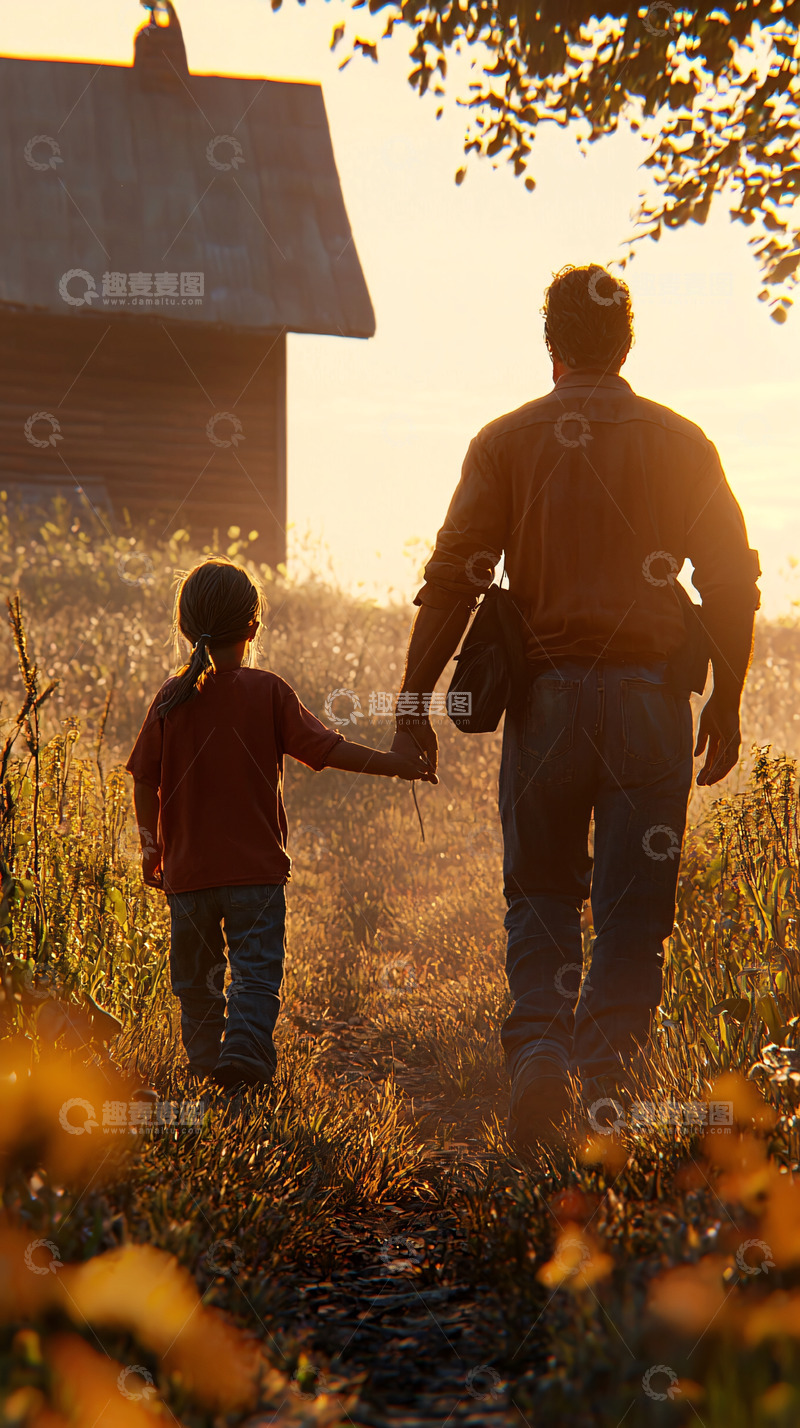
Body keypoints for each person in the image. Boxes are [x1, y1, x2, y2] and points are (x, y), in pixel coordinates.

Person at [391, 263, 760, 1148]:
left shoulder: (506, 442)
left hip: (549, 705)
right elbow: (737, 582)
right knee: (635, 910)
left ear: (550, 346)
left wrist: (412, 704)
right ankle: (606, 1087)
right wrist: (731, 701)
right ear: (627, 342)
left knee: (544, 894)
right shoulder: (684, 443)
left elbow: (455, 580)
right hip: (652, 707)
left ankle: (541, 1060)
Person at [127, 557, 434, 1095]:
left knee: (196, 983)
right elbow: (327, 750)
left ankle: (205, 1067)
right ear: (253, 627)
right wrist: (398, 763)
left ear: (184, 625)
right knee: (256, 975)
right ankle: (243, 1054)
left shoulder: (170, 699)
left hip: (188, 876)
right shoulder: (268, 692)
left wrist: (150, 848)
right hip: (256, 877)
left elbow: (143, 780)